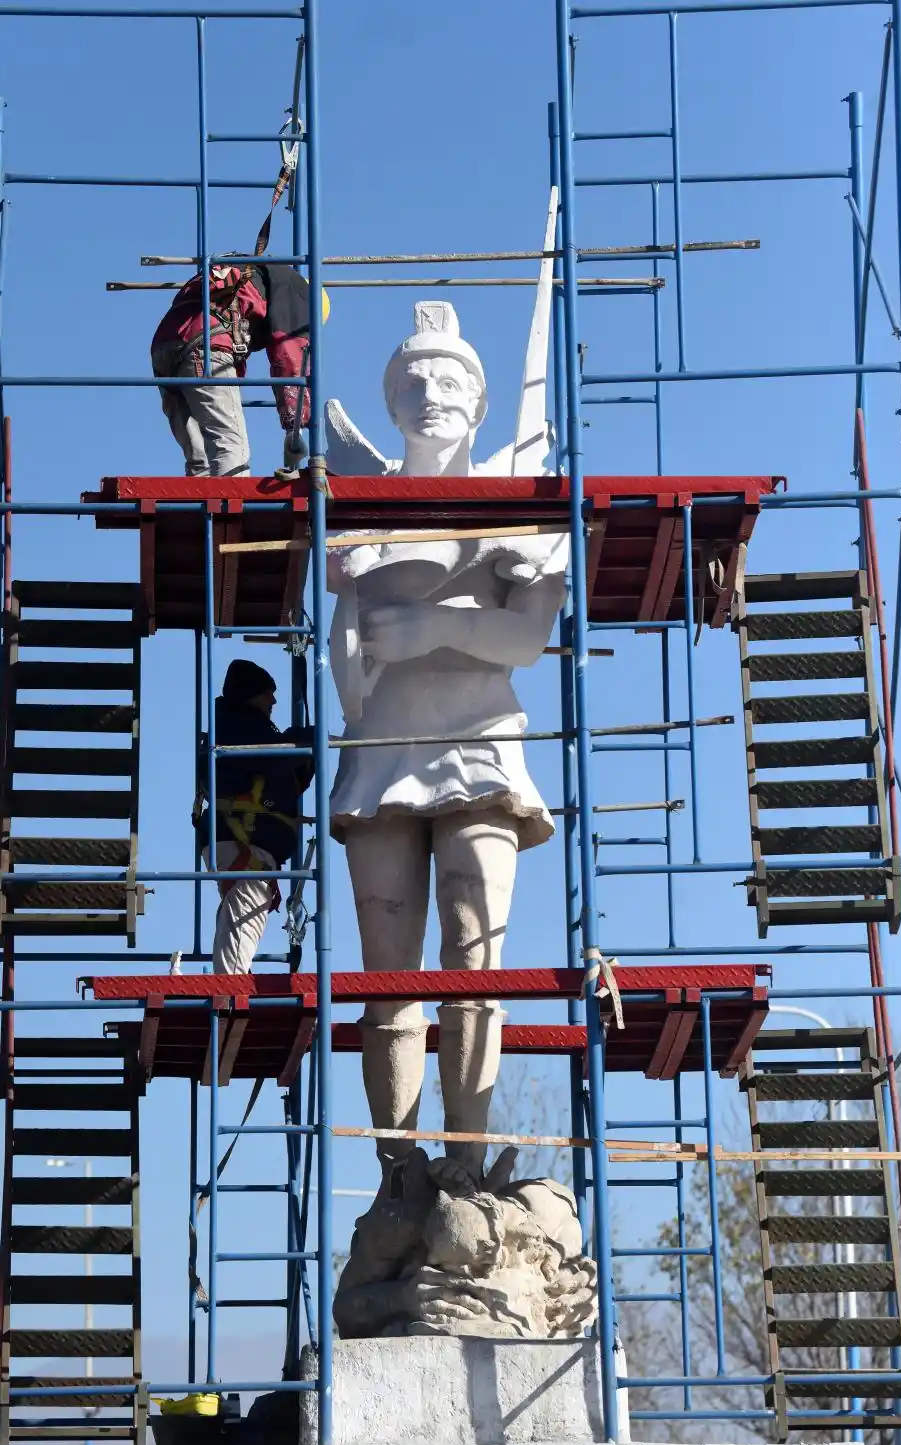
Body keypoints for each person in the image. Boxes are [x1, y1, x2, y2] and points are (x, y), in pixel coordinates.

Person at [325, 303, 568, 1189]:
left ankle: (462, 1168)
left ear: (480, 398)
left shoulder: (515, 497)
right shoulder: (359, 510)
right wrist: (350, 626)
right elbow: (345, 661)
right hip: (382, 750)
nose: (432, 395)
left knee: (475, 951)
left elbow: (530, 636)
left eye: (451, 379)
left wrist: (428, 627)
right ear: (391, 405)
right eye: (414, 383)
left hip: (479, 745)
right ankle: (398, 1171)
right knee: (387, 974)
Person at [195, 660, 314, 973]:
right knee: (246, 908)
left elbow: (282, 765)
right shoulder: (240, 725)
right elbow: (275, 756)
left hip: (236, 839)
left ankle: (231, 977)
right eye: (267, 695)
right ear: (250, 695)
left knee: (241, 908)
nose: (273, 702)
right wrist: (308, 741)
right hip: (241, 839)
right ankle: (230, 987)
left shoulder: (234, 724)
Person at [151, 260, 322, 478]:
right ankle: (230, 512)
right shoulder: (297, 292)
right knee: (230, 448)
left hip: (164, 349)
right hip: (205, 346)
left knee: (201, 459)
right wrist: (294, 426)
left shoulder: (256, 272)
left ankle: (206, 511)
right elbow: (289, 356)